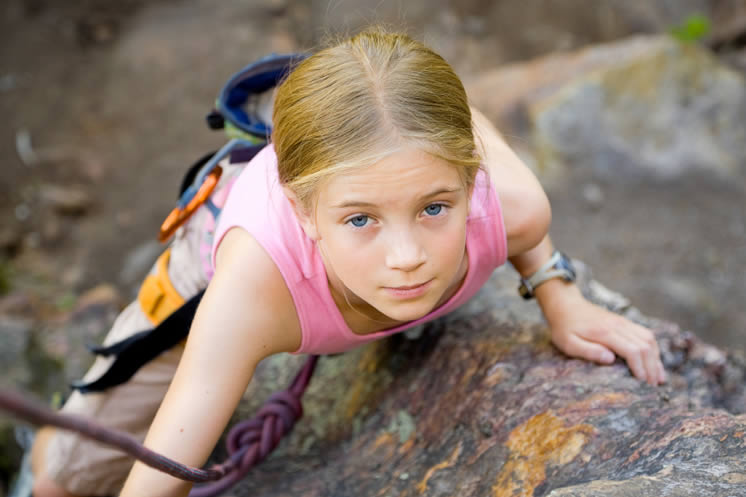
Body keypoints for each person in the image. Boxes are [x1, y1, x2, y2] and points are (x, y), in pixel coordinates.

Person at [28, 27, 665, 497]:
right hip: (217, 250)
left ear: (471, 186)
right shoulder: (251, 291)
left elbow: (472, 130)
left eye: (434, 208)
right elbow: (162, 464)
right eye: (361, 219)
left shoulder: (515, 209)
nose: (409, 259)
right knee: (61, 477)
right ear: (302, 212)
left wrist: (559, 296)